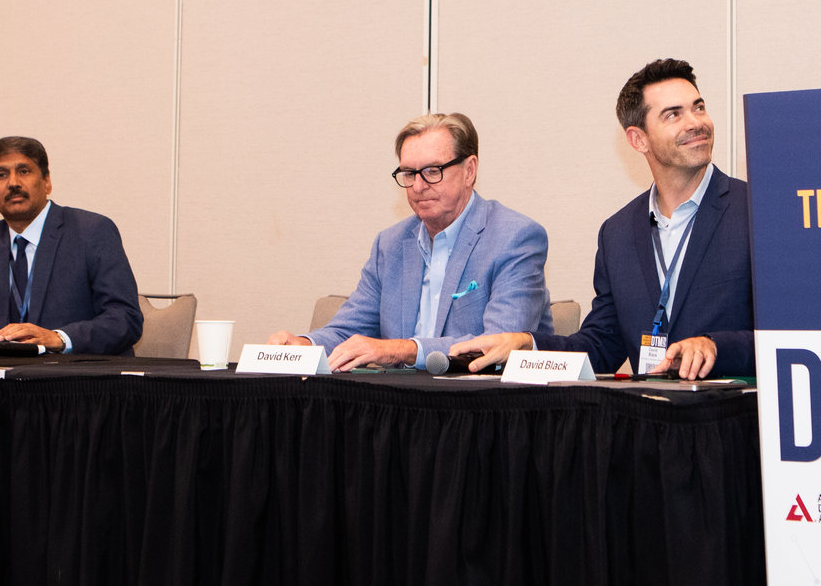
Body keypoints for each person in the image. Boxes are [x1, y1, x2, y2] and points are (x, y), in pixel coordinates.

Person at [451, 60, 755, 381]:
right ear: (638, 139)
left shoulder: (755, 211)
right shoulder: (618, 233)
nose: (696, 123)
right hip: (648, 408)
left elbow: (788, 331)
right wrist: (528, 345)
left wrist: (715, 346)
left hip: (734, 407)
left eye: (699, 108)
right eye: (673, 114)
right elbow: (601, 346)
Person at [267, 112, 553, 371]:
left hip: (480, 404)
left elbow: (499, 344)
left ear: (469, 170)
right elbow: (349, 331)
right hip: (402, 403)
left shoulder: (515, 237)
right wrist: (304, 345)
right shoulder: (390, 244)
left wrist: (401, 350)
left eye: (432, 172)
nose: (417, 186)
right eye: (409, 173)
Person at [0, 137, 142, 354]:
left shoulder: (91, 232)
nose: (13, 183)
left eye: (24, 171)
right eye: (1, 175)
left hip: (73, 377)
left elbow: (125, 318)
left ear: (47, 181)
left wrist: (60, 338)